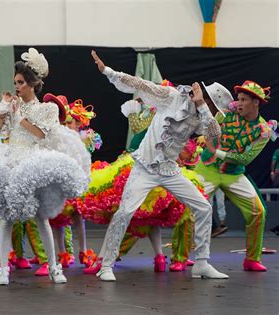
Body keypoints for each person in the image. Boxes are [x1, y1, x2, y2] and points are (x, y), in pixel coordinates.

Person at [0, 48, 91, 285]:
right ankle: (3, 269)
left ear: (32, 84)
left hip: (33, 161)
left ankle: (54, 267)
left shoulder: (47, 108)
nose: (17, 87)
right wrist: (4, 112)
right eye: (15, 82)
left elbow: (40, 134)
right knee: (6, 217)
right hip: (10, 159)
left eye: (21, 82)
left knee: (40, 217)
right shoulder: (12, 106)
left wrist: (20, 116)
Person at [89, 50, 229, 281]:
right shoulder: (173, 97)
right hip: (144, 167)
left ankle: (201, 264)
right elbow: (142, 84)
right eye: (215, 108)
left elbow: (215, 135)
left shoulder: (202, 116)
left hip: (168, 171)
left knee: (204, 208)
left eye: (213, 110)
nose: (214, 113)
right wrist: (109, 72)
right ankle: (106, 266)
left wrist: (203, 107)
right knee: (125, 212)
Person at [196, 80, 275, 272]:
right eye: (238, 99)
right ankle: (179, 258)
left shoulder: (263, 130)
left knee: (258, 211)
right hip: (207, 168)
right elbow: (207, 130)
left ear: (256, 103)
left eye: (244, 100)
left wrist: (218, 152)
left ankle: (252, 259)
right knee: (189, 209)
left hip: (233, 174)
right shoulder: (226, 114)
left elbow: (245, 159)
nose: (238, 103)